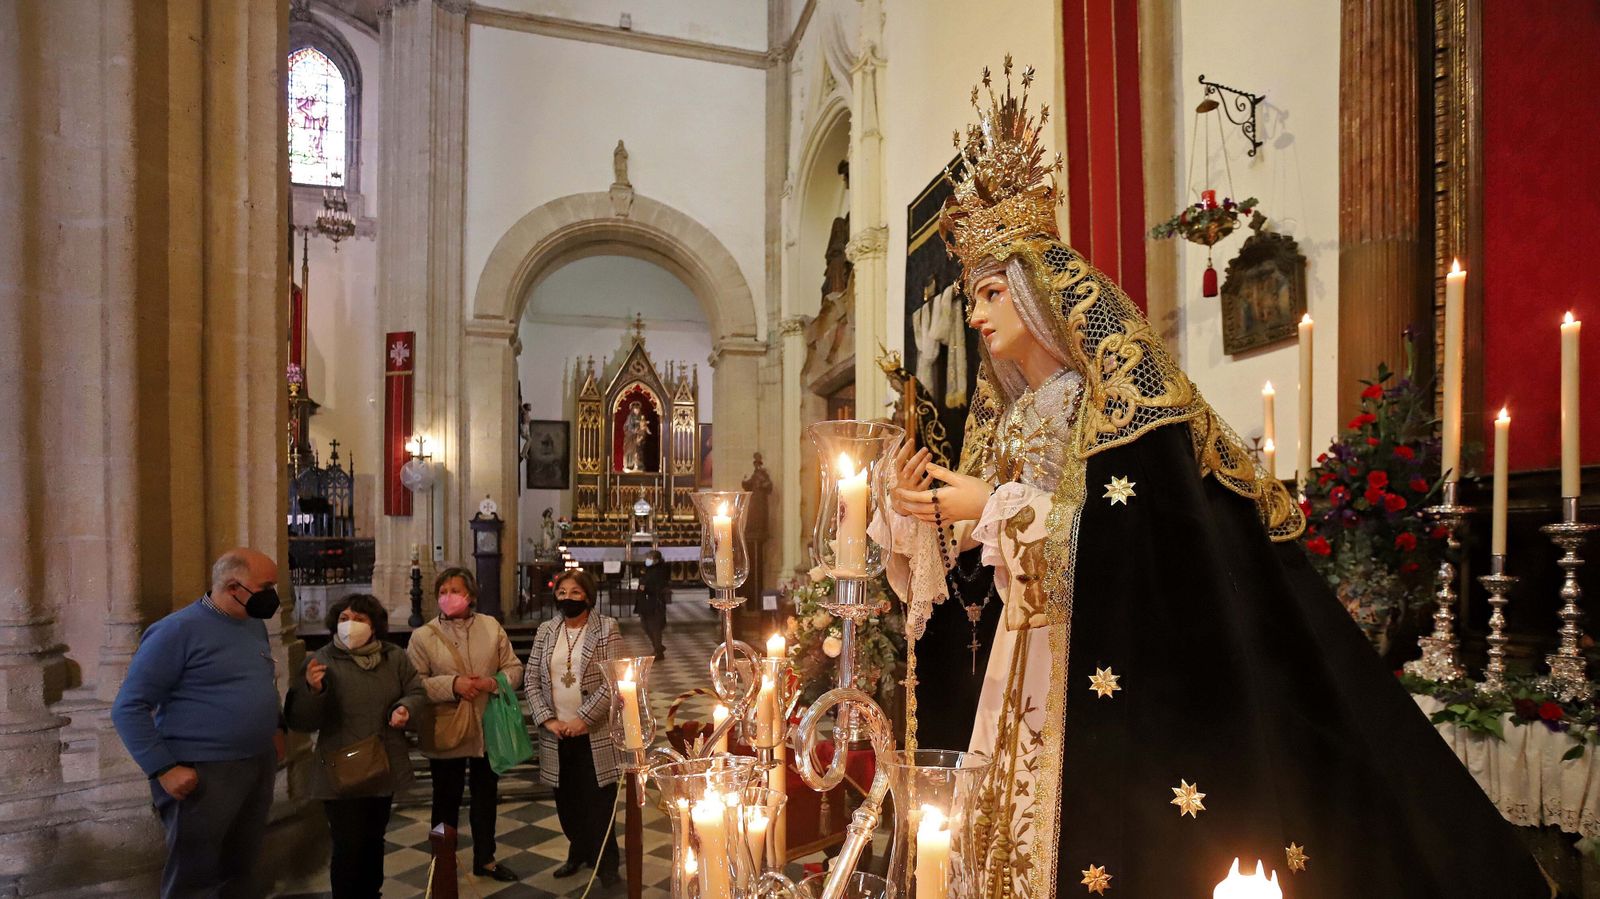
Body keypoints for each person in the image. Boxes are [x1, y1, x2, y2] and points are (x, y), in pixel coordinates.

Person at [880, 59, 1549, 898]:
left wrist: (998, 507)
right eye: (972, 299)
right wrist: (919, 509)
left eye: (987, 294)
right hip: (1022, 659)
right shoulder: (1013, 416)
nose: (976, 317)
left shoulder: (1112, 401)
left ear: (1039, 294)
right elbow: (981, 559)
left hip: (1088, 667)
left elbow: (1137, 538)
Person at [110, 548, 286, 899]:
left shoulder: (252, 625)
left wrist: (275, 729)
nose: (273, 595)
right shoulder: (176, 631)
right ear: (234, 587)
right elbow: (128, 707)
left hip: (255, 763)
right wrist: (163, 768)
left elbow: (262, 681)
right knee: (195, 876)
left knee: (240, 867)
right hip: (204, 771)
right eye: (266, 586)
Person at [284, 593, 426, 899]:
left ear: (374, 626)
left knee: (374, 840)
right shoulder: (320, 660)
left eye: (359, 619)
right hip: (340, 769)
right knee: (348, 845)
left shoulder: (394, 658)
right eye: (344, 619)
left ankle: (371, 893)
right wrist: (313, 690)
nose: (350, 625)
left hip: (381, 763)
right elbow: (301, 720)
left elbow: (416, 691)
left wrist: (406, 708)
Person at [407, 567, 524, 883]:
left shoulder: (490, 626)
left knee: (486, 796)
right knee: (445, 798)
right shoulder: (423, 636)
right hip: (448, 726)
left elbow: (513, 668)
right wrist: (453, 684)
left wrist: (492, 681)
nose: (448, 597)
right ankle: (441, 860)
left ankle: (485, 858)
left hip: (486, 726)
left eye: (455, 590)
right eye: (442, 591)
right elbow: (414, 684)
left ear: (470, 595)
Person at [523, 568, 622, 887]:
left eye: (575, 593)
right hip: (556, 732)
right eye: (562, 592)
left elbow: (614, 680)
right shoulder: (546, 630)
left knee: (599, 800)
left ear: (588, 596)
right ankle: (578, 850)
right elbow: (531, 679)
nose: (568, 598)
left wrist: (583, 718)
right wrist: (548, 719)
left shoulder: (606, 628)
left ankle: (606, 862)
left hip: (594, 732)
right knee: (567, 800)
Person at [636, 549, 670, 659]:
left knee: (654, 627)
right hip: (645, 603)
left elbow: (658, 586)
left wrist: (645, 587)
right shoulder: (648, 569)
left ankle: (658, 651)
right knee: (645, 625)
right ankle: (658, 647)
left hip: (655, 603)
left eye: (650, 558)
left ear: (656, 560)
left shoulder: (661, 570)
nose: (647, 560)